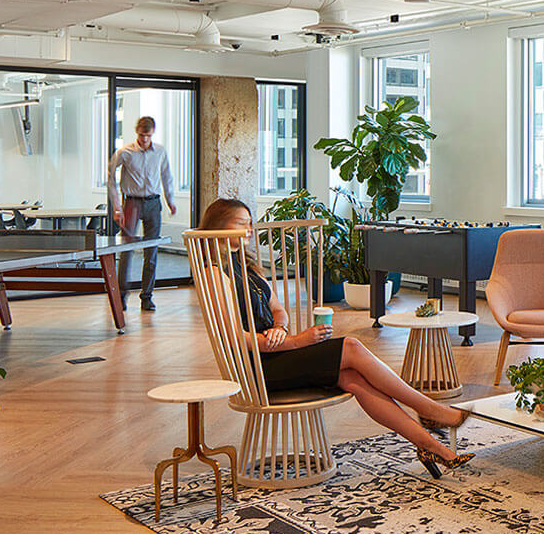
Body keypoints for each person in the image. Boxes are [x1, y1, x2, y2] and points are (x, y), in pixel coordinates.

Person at [198, 198, 473, 476]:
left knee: (353, 379)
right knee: (350, 346)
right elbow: (231, 337)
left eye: (249, 223)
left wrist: (281, 329)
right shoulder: (214, 273)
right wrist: (296, 341)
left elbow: (278, 309)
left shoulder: (247, 268)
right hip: (254, 368)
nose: (248, 230)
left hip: (275, 352)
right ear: (217, 227)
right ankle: (427, 408)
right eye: (240, 224)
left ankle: (432, 448)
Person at [107, 116, 176, 312]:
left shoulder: (160, 151)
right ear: (136, 132)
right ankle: (121, 295)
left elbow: (166, 176)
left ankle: (147, 296)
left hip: (153, 203)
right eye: (141, 135)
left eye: (148, 135)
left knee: (151, 251)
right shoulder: (125, 152)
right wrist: (117, 207)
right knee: (127, 250)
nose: (144, 139)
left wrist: (170, 200)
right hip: (132, 203)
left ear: (152, 133)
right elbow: (111, 178)